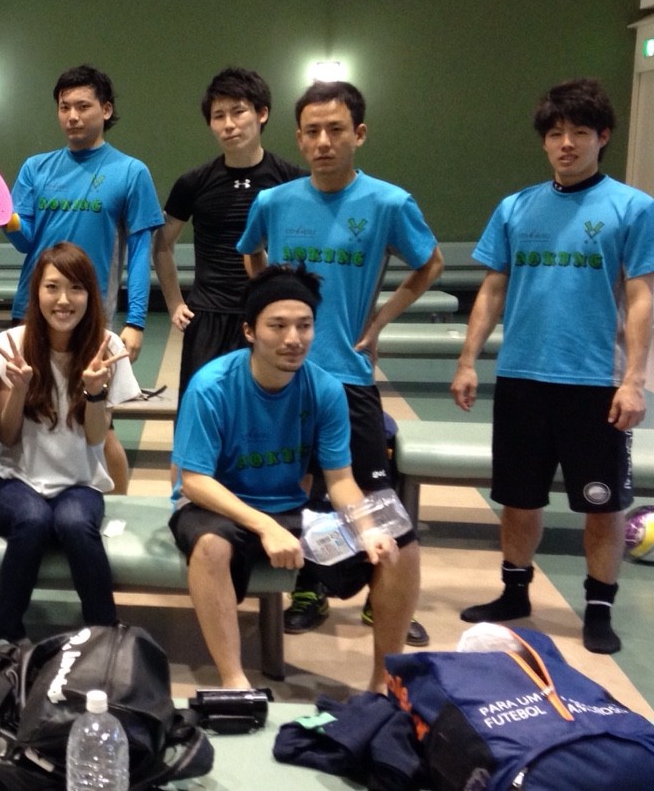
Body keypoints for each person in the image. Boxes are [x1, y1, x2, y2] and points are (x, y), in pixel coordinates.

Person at [450, 78, 654, 655]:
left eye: (580, 132)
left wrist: (634, 381)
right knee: (519, 498)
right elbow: (493, 289)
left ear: (603, 137)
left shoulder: (633, 209)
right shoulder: (515, 207)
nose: (566, 144)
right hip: (522, 377)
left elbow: (641, 296)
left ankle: (598, 608)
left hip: (595, 384)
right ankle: (514, 593)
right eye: (556, 133)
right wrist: (468, 361)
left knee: (602, 505)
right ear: (544, 141)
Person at [236, 80, 441, 645]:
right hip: (286, 378)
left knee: (373, 498)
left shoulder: (389, 203)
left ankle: (384, 596)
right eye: (312, 131)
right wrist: (270, 302)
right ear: (299, 138)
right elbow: (251, 253)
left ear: (360, 134)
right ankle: (308, 588)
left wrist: (379, 321)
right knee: (297, 491)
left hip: (348, 376)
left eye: (336, 129)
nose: (323, 141)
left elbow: (429, 264)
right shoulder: (274, 202)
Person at [170, 263, 420, 693]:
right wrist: (264, 527)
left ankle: (382, 685)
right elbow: (194, 482)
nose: (293, 338)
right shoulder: (211, 386)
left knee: (401, 541)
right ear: (249, 331)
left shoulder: (325, 389)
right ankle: (234, 681)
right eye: (278, 325)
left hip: (291, 508)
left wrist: (367, 529)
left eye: (304, 325)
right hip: (217, 507)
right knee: (211, 547)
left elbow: (340, 480)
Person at [3, 64, 163, 493]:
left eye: (83, 106)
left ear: (106, 110)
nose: (72, 116)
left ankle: (120, 507)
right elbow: (24, 241)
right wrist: (4, 216)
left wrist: (136, 321)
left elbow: (141, 251)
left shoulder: (131, 172)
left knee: (98, 423)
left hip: (90, 320)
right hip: (31, 312)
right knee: (31, 415)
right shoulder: (36, 168)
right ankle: (34, 494)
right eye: (64, 107)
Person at [0, 242, 140, 643]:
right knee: (33, 520)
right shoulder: (9, 345)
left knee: (73, 523)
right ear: (36, 291)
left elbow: (96, 437)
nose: (64, 300)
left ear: (91, 294)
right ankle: (4, 636)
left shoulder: (107, 348)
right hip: (17, 480)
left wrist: (95, 393)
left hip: (80, 483)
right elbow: (7, 436)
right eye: (52, 287)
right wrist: (19, 388)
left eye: (76, 288)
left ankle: (104, 636)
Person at [153, 67, 306, 400]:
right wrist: (175, 302)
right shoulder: (193, 183)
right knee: (200, 408)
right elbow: (162, 245)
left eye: (238, 112)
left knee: (265, 410)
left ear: (262, 113)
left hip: (268, 314)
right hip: (208, 315)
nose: (229, 124)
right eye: (218, 116)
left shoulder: (292, 180)